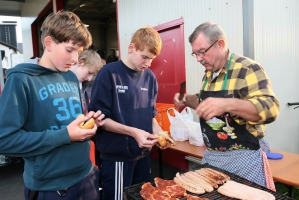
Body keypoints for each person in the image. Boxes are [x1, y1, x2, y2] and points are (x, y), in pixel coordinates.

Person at [0, 10, 105, 200]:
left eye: (79, 52)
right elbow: (5, 140)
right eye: (69, 50)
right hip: (52, 187)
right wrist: (65, 136)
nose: (74, 59)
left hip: (86, 176)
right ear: (48, 43)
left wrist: (88, 122)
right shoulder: (21, 79)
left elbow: (72, 120)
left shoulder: (71, 78)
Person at [173, 21, 280, 190]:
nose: (199, 59)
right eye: (195, 54)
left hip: (244, 159)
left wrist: (228, 104)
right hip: (212, 156)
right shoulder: (208, 74)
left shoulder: (247, 68)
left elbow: (270, 108)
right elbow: (204, 101)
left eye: (202, 52)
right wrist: (187, 99)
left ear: (220, 44)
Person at [88, 26, 163, 200]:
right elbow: (100, 120)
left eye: (152, 59)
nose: (148, 63)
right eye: (144, 57)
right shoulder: (109, 73)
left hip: (143, 156)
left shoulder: (150, 77)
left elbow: (150, 116)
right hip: (117, 157)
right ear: (131, 48)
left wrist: (160, 134)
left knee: (143, 196)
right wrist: (133, 132)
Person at [70, 49, 103, 114]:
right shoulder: (60, 82)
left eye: (93, 75)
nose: (89, 79)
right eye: (89, 73)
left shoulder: (89, 86)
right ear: (80, 62)